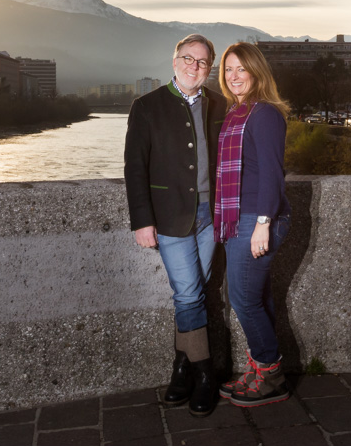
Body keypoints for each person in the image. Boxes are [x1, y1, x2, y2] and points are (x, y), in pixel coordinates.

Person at [124, 34, 225, 417]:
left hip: (210, 216)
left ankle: (180, 366)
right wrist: (142, 220)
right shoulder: (147, 106)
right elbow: (135, 168)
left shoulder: (220, 105)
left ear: (209, 68)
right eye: (188, 58)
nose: (194, 67)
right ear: (174, 61)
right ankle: (204, 375)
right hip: (169, 216)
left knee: (193, 293)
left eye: (202, 62)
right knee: (188, 294)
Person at [213, 42, 293, 407]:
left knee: (243, 300)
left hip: (256, 218)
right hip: (239, 217)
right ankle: (260, 368)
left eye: (241, 69)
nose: (234, 76)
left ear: (256, 71)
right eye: (228, 70)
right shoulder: (237, 111)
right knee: (255, 297)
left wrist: (263, 222)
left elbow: (273, 174)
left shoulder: (264, 113)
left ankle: (270, 374)